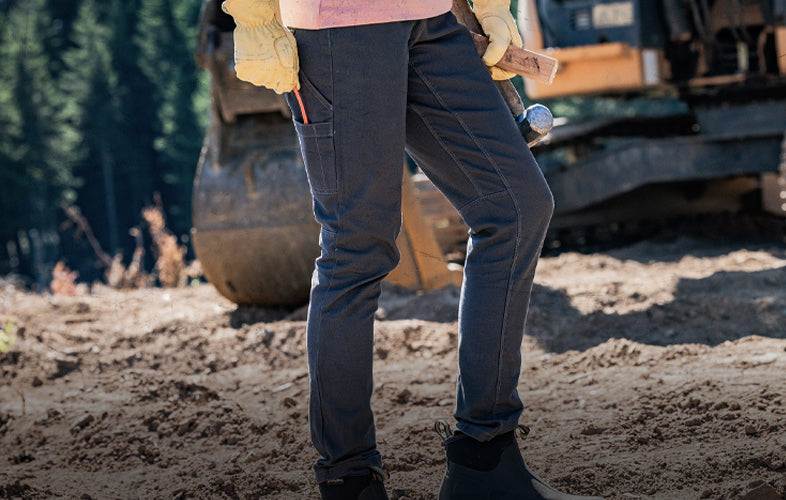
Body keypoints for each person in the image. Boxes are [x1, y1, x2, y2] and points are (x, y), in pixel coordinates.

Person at [221, 0, 604, 498]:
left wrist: (488, 6)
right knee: (357, 246)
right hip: (338, 27)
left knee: (517, 208)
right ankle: (350, 478)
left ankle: (485, 460)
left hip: (432, 20)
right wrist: (256, 18)